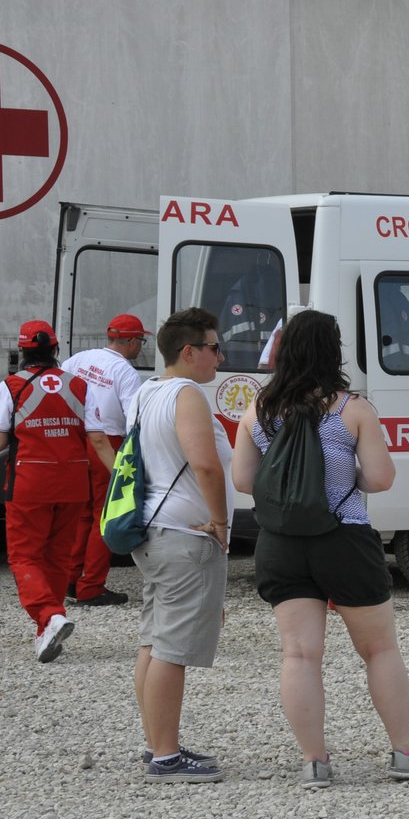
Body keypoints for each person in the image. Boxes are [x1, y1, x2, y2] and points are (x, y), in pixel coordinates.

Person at [232, 310, 409, 786]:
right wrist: (336, 475)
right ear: (332, 351)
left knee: (300, 654)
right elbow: (380, 477)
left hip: (282, 544)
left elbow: (243, 480)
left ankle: (315, 762)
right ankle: (405, 752)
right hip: (343, 538)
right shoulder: (351, 409)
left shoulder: (258, 412)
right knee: (378, 649)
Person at [131, 308, 232, 780]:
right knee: (172, 648)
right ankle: (167, 757)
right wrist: (220, 522)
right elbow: (206, 466)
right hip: (183, 535)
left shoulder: (145, 391)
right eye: (213, 347)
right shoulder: (187, 394)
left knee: (154, 641)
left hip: (151, 529)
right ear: (189, 352)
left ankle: (159, 745)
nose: (220, 356)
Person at [0, 320, 94, 663]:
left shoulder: (12, 386)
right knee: (57, 556)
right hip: (74, 480)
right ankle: (47, 631)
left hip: (30, 482)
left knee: (24, 556)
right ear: (55, 350)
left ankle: (49, 614)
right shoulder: (78, 385)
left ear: (22, 352)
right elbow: (94, 433)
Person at [61, 313, 150, 607]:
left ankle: (71, 579)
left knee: (82, 515)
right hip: (105, 444)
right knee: (105, 516)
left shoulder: (77, 360)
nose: (142, 347)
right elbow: (135, 420)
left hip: (73, 442)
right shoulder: (125, 372)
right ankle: (91, 586)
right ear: (132, 341)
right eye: (142, 341)